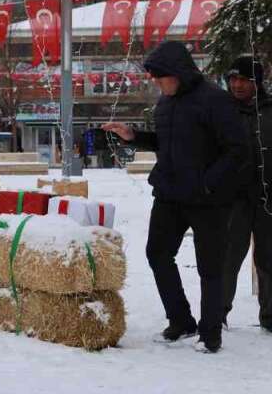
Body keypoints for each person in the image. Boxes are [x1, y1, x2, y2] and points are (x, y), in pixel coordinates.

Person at [102, 40, 247, 353]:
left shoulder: (215, 100)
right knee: (157, 253)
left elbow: (237, 149)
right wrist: (133, 136)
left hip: (208, 200)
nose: (157, 82)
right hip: (170, 193)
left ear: (178, 72)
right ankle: (181, 321)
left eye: (160, 77)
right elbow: (166, 142)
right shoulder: (165, 102)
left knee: (210, 267)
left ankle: (210, 334)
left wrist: (208, 184)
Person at [220, 55, 272, 333]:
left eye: (244, 80)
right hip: (233, 199)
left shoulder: (270, 110)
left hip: (267, 199)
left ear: (257, 82)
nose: (237, 85)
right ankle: (217, 314)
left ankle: (270, 317)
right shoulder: (222, 111)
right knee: (227, 258)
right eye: (233, 79)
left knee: (268, 259)